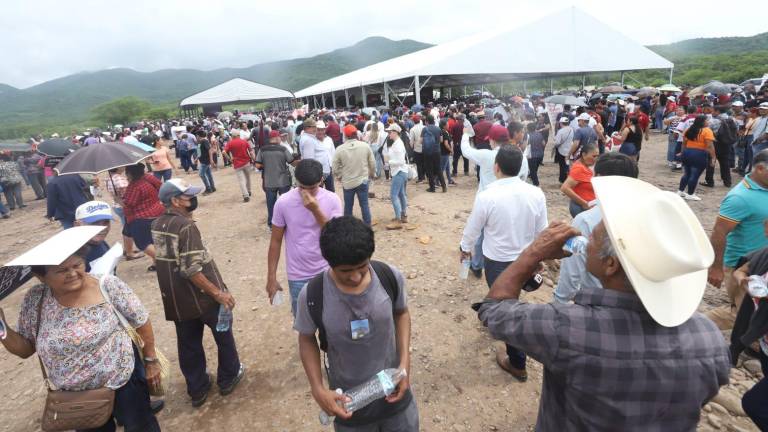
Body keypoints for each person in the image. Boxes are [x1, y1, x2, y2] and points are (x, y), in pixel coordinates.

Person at [474, 178, 730, 431]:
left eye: (593, 237)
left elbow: (494, 310)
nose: (586, 240)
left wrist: (533, 252)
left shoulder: (567, 328)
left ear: (611, 265)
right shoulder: (709, 338)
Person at [0, 231, 163, 431]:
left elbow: (141, 321)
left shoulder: (106, 285)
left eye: (77, 265)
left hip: (124, 381)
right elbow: (25, 349)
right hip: (76, 396)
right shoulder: (36, 299)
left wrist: (151, 361)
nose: (72, 273)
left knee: (141, 426)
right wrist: (2, 326)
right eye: (61, 270)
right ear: (40, 277)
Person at [294, 216, 418, 431]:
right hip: (350, 405)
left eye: (361, 267)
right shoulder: (314, 294)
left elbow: (402, 314)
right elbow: (306, 338)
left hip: (395, 396)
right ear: (330, 263)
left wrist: (404, 364)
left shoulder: (389, 277)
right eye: (345, 271)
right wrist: (317, 388)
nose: (354, 277)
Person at [152, 178, 245, 407]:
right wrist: (218, 294)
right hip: (203, 299)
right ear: (175, 201)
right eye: (187, 196)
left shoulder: (157, 223)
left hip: (177, 300)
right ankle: (228, 377)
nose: (192, 199)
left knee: (188, 345)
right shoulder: (186, 226)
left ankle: (197, 388)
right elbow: (191, 269)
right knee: (223, 335)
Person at [460, 145, 547, 381]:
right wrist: (538, 258)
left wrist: (464, 248)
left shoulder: (487, 195)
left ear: (496, 167)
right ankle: (494, 315)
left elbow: (473, 229)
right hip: (525, 259)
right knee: (510, 300)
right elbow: (543, 231)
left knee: (507, 308)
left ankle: (517, 362)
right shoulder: (536, 193)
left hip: (498, 261)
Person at [553, 153, 639, 303]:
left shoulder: (584, 221)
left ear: (598, 178)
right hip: (637, 301)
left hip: (597, 302)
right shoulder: (643, 216)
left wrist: (559, 300)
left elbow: (572, 270)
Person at [266, 159, 343, 315]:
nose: (306, 193)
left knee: (331, 319)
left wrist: (315, 210)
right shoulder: (283, 202)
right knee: (303, 324)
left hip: (327, 270)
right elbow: (275, 241)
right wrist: (271, 277)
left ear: (321, 180)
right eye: (302, 187)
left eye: (312, 188)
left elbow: (335, 235)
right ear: (296, 180)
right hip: (298, 275)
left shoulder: (332, 199)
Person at [706, 149, 768, 330]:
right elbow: (719, 232)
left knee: (755, 312)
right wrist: (716, 267)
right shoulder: (739, 197)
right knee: (743, 315)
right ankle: (695, 325)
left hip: (764, 261)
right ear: (760, 169)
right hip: (743, 265)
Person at [734, 222, 768, 428]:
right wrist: (742, 279)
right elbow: (742, 269)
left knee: (753, 404)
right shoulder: (765, 253)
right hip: (765, 343)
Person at [332, 125, 376, 225]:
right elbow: (372, 163)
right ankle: (367, 226)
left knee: (348, 206)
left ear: (345, 135)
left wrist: (339, 176)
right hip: (363, 181)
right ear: (356, 134)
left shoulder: (340, 149)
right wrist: (371, 174)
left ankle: (348, 228)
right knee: (364, 205)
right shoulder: (365, 146)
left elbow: (334, 166)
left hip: (348, 182)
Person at [122, 163, 162, 270]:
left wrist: (119, 200)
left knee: (143, 243)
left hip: (141, 218)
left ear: (130, 174)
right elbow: (160, 185)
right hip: (157, 212)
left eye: (127, 173)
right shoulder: (149, 178)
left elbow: (129, 204)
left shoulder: (134, 186)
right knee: (153, 240)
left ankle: (163, 261)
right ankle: (156, 264)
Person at [255, 130, 296, 230]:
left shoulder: (262, 150)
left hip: (269, 182)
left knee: (271, 204)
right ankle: (287, 222)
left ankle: (271, 224)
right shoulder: (283, 149)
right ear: (277, 138)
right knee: (285, 203)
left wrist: (266, 166)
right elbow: (292, 162)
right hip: (283, 181)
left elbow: (257, 165)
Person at [675, 115, 716, 202]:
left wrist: (682, 153)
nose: (708, 122)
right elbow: (709, 146)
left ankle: (680, 191)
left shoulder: (689, 130)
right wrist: (713, 157)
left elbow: (683, 144)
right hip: (699, 153)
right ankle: (690, 194)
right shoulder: (707, 131)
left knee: (687, 174)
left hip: (687, 152)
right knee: (694, 175)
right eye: (707, 121)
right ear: (702, 122)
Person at [74, 200, 116, 273]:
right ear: (77, 225)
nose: (102, 228)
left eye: (106, 222)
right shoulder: (75, 255)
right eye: (94, 223)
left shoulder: (100, 243)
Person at [560, 142, 599, 217]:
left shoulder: (585, 166)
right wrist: (584, 203)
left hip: (587, 206)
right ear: (584, 155)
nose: (596, 159)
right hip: (582, 208)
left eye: (597, 156)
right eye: (594, 156)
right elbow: (564, 188)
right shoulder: (579, 168)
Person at [383, 123, 409, 224]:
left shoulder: (398, 144)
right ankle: (402, 215)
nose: (389, 134)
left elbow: (400, 161)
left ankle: (398, 219)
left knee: (394, 195)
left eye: (390, 132)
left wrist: (388, 162)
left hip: (399, 171)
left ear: (395, 132)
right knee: (401, 194)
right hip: (400, 171)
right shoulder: (398, 142)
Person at [223, 129, 255, 202]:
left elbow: (224, 152)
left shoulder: (230, 143)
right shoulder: (244, 141)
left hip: (237, 164)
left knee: (241, 180)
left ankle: (245, 195)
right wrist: (254, 160)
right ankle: (249, 191)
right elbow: (251, 152)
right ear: (238, 135)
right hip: (246, 162)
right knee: (248, 178)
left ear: (233, 136)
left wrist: (229, 159)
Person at [422, 115, 446, 193]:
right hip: (437, 151)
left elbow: (421, 141)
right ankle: (444, 187)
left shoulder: (425, 129)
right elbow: (441, 140)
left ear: (427, 121)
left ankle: (432, 188)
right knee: (438, 169)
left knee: (429, 170)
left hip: (427, 152)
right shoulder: (438, 128)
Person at [552, 117, 574, 183]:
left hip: (561, 151)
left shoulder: (560, 131)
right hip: (569, 150)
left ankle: (562, 179)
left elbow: (557, 142)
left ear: (561, 123)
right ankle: (568, 177)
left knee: (562, 165)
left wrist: (554, 139)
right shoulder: (571, 129)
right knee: (567, 164)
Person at [526, 122, 546, 187]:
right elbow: (544, 144)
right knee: (535, 169)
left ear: (528, 129)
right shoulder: (539, 134)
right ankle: (532, 178)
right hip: (540, 155)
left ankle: (536, 183)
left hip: (532, 155)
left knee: (532, 170)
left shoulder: (527, 136)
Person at [408, 115, 425, 182]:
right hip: (424, 148)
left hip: (417, 149)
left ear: (413, 121)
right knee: (424, 163)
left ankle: (420, 178)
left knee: (419, 164)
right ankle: (423, 176)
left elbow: (411, 141)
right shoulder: (424, 127)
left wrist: (411, 147)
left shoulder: (412, 129)